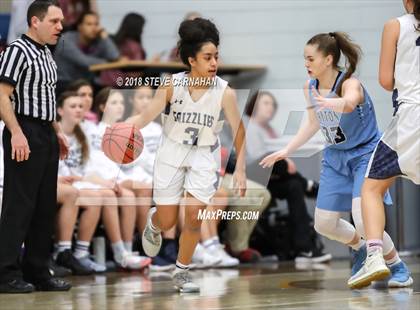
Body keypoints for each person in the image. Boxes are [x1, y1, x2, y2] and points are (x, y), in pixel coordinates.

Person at [260, 31, 411, 288]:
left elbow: (351, 103)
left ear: (328, 59)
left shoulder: (349, 83)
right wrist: (287, 150)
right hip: (335, 157)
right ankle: (361, 248)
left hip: (365, 154)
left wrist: (335, 103)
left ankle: (398, 266)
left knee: (362, 218)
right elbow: (311, 125)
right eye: (304, 59)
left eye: (310, 59)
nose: (306, 64)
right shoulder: (310, 87)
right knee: (324, 224)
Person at [127, 18, 247, 293]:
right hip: (171, 152)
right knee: (168, 221)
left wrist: (239, 168)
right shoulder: (171, 85)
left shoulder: (224, 92)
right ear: (192, 60)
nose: (214, 62)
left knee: (194, 217)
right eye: (208, 57)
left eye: (216, 56)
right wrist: (122, 128)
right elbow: (146, 117)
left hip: (204, 155)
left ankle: (182, 272)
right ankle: (154, 221)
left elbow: (240, 133)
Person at [0, 0, 71, 293]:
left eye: (61, 22)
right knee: (19, 206)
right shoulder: (18, 50)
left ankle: (38, 270)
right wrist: (16, 132)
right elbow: (2, 95)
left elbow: (47, 100)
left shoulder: (46, 54)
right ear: (34, 22)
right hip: (24, 129)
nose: (60, 27)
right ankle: (5, 274)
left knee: (44, 206)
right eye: (54, 21)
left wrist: (58, 131)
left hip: (45, 132)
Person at [348, 0, 419, 289]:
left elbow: (386, 80)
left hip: (411, 116)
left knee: (372, 188)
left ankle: (375, 255)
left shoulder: (396, 25)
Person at [245, 91, 330, 263]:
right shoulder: (249, 126)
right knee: (278, 162)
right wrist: (281, 161)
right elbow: (257, 160)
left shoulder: (271, 131)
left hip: (271, 180)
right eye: (265, 103)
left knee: (293, 186)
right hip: (250, 178)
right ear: (254, 106)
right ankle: (308, 184)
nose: (270, 107)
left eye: (272, 104)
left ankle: (304, 248)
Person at [53, 10, 120, 94]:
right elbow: (83, 61)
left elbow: (114, 56)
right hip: (63, 83)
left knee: (112, 93)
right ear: (80, 26)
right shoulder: (65, 40)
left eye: (96, 24)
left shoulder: (98, 41)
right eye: (89, 24)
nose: (94, 28)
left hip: (85, 83)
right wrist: (108, 63)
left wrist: (105, 37)